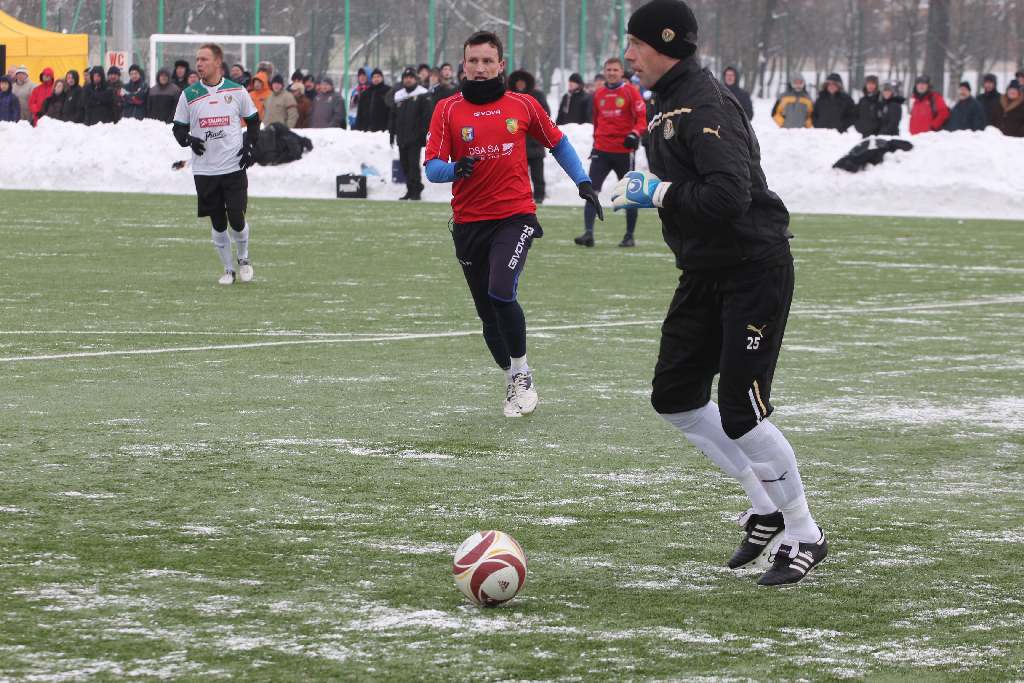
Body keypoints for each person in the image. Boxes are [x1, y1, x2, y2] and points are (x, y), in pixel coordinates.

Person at [613, 0, 827, 586]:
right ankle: (764, 504)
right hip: (706, 271)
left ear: (664, 43)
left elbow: (728, 196)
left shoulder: (703, 105)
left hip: (752, 268)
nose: (627, 54)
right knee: (676, 396)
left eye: (634, 43)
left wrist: (656, 194)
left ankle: (804, 532)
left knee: (741, 410)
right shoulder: (669, 104)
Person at [424, 30, 602, 418]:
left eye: (488, 61)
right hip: (469, 223)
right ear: (463, 65)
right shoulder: (448, 110)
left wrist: (584, 182)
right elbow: (432, 168)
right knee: (488, 314)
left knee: (501, 289)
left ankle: (523, 372)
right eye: (474, 61)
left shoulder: (523, 105)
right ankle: (510, 377)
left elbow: (558, 143)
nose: (481, 67)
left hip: (515, 217)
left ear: (500, 65)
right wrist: (455, 168)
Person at [172, 42, 260, 285]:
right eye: (197, 59)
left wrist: (250, 146)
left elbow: (253, 120)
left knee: (236, 216)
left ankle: (243, 258)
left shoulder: (237, 91)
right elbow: (178, 129)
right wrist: (188, 139)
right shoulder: (188, 95)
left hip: (233, 166)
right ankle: (228, 269)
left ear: (217, 63)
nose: (199, 63)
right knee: (218, 221)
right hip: (204, 170)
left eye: (204, 59)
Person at [574, 56, 646, 248]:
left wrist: (634, 133)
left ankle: (629, 236)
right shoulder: (598, 94)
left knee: (629, 195)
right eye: (609, 70)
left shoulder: (631, 92)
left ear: (622, 72)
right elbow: (597, 122)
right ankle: (588, 233)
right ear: (604, 72)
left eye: (615, 70)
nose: (612, 73)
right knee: (590, 191)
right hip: (602, 151)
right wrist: (595, 143)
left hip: (624, 151)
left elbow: (641, 118)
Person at [509, 69, 551, 204]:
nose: (520, 85)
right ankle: (518, 197)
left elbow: (545, 115)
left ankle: (539, 196)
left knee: (537, 174)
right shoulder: (508, 97)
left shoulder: (537, 95)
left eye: (523, 82)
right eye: (518, 82)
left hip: (535, 143)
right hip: (516, 144)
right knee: (517, 176)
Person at [390, 67, 432, 200]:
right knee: (404, 164)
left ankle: (416, 190)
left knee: (413, 164)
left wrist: (422, 134)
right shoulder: (399, 96)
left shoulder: (423, 94)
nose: (408, 80)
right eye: (406, 77)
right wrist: (392, 133)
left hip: (415, 137)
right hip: (402, 137)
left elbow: (427, 117)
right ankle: (410, 189)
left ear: (416, 79)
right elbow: (393, 117)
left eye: (411, 77)